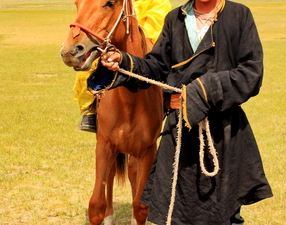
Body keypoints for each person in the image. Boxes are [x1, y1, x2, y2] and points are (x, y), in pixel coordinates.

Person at [92, 0, 273, 224]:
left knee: (223, 213)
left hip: (223, 130)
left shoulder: (239, 15)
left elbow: (251, 73)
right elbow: (156, 66)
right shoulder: (175, 18)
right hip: (179, 132)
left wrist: (204, 90)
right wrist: (124, 61)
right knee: (177, 212)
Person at [73, 0, 172, 132]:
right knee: (94, 54)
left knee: (157, 44)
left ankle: (167, 95)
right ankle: (92, 107)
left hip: (150, 3)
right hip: (120, 4)